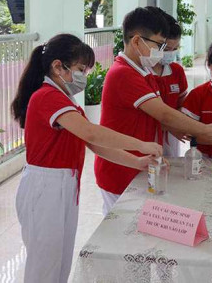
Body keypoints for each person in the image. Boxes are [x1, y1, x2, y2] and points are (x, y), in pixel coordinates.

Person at [11, 34, 163, 283]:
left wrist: (136, 161)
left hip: (63, 185)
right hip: (45, 187)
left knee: (59, 262)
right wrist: (140, 144)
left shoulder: (65, 101)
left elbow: (93, 143)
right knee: (44, 266)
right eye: (81, 69)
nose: (84, 76)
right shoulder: (46, 97)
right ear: (58, 66)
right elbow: (92, 132)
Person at [94, 7, 212, 214]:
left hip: (141, 165)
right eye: (159, 45)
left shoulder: (143, 73)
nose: (162, 52)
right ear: (136, 41)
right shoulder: (123, 74)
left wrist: (202, 129)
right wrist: (205, 130)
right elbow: (165, 113)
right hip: (121, 169)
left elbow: (165, 115)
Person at [147, 7, 189, 157]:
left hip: (172, 138)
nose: (171, 53)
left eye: (175, 48)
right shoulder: (141, 72)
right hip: (147, 138)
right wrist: (170, 125)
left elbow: (182, 103)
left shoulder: (176, 71)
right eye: (167, 48)